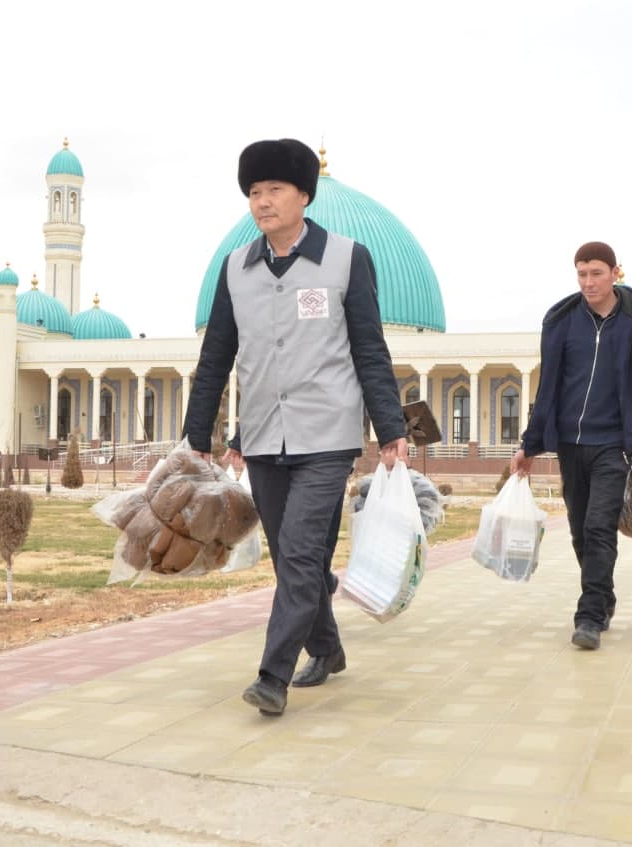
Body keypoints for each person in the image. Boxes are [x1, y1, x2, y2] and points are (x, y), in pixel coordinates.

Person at [184, 138, 408, 715]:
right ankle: (328, 649)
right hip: (262, 434)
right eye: (254, 193)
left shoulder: (346, 258)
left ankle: (272, 675)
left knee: (303, 555)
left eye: (274, 190)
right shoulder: (236, 268)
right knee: (291, 559)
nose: (262, 202)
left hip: (327, 435)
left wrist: (390, 429)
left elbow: (369, 348)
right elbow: (216, 356)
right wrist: (194, 435)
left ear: (304, 195)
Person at [510, 241, 632, 651]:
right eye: (581, 274)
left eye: (596, 274)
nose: (588, 282)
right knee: (578, 531)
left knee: (599, 527)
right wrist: (530, 445)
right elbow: (548, 387)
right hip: (571, 443)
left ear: (614, 273)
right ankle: (603, 595)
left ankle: (588, 616)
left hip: (613, 444)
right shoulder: (562, 320)